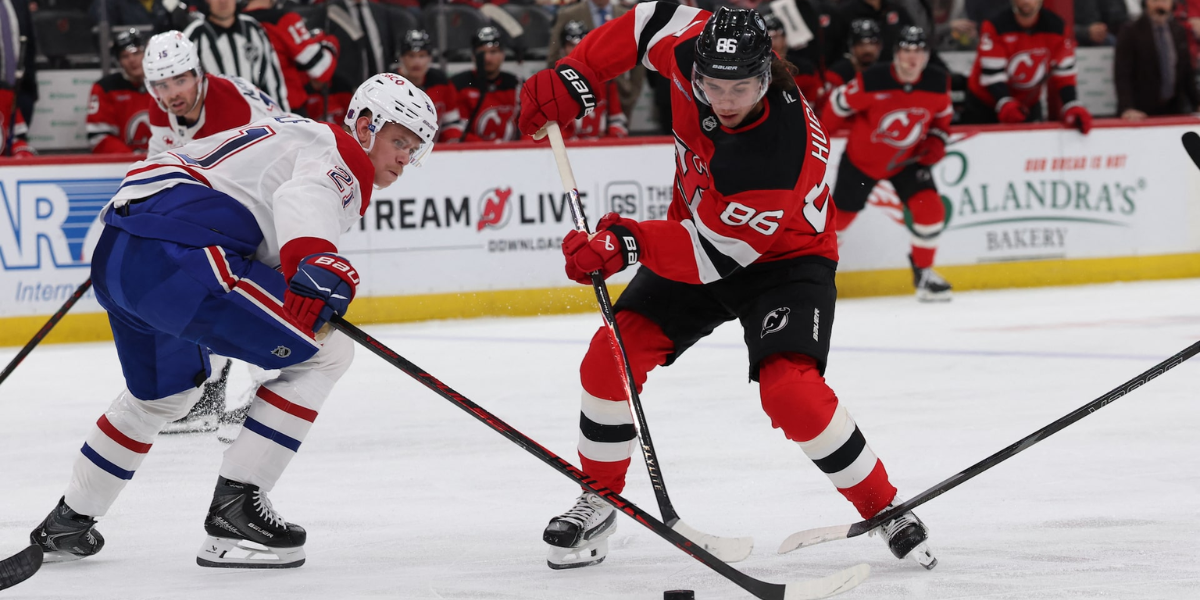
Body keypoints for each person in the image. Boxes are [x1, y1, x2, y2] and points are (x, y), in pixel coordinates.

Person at [518, 2, 936, 571]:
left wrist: (625, 242)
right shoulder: (695, 51)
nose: (723, 100)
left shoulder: (774, 151)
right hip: (700, 235)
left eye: (739, 88)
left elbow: (715, 255)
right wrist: (579, 72)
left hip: (785, 261)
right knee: (608, 358)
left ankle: (886, 508)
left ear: (766, 75)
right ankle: (601, 496)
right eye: (712, 85)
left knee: (789, 391)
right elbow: (650, 19)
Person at [28, 71, 438, 569]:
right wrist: (314, 260)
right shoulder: (345, 155)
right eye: (399, 141)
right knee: (326, 354)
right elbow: (300, 201)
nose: (403, 158)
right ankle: (235, 511)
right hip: (177, 255)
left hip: (118, 253)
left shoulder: (291, 129)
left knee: (162, 395)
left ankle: (69, 520)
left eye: (413, 149)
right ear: (367, 124)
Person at [823, 26, 954, 301]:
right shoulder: (873, 79)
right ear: (896, 54)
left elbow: (942, 118)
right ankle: (818, 278)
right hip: (861, 162)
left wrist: (937, 140)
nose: (912, 58)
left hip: (908, 160)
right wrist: (822, 134)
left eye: (918, 51)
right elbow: (836, 105)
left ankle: (924, 274)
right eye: (906, 50)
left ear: (927, 55)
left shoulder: (938, 82)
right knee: (838, 223)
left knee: (930, 211)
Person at [143, 31, 285, 157]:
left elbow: (260, 171)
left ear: (198, 76)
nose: (173, 94)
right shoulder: (160, 104)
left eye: (180, 81)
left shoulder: (232, 108)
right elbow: (157, 159)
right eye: (162, 85)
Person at [963, 0, 1092, 131]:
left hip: (1028, 103)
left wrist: (1072, 104)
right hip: (984, 103)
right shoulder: (995, 25)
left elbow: (1064, 74)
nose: (1026, 1)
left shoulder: (1057, 27)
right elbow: (993, 73)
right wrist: (1004, 102)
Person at [182, 0, 291, 111]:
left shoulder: (253, 28)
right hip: (216, 117)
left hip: (257, 114)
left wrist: (282, 115)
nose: (223, 2)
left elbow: (272, 79)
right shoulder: (192, 37)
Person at [243, 0, 339, 118]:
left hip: (249, 113)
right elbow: (321, 68)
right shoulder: (283, 19)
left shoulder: (237, 23)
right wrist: (329, 44)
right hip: (286, 112)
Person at [1114, 0, 1199, 120]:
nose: (1159, 6)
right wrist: (1127, 107)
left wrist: (1196, 103)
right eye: (1154, 1)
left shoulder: (1178, 30)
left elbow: (1186, 71)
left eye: (1164, 1)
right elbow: (1122, 73)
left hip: (1173, 109)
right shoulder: (1130, 30)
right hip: (1140, 111)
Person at [558, 21, 627, 139]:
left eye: (580, 44)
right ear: (563, 48)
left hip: (599, 151)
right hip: (567, 151)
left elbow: (617, 121)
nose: (575, 49)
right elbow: (545, 127)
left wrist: (606, 143)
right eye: (571, 45)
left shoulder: (606, 81)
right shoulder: (552, 83)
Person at [87, 29, 151, 155]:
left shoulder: (166, 84)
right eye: (125, 56)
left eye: (136, 53)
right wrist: (130, 160)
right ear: (119, 62)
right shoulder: (105, 88)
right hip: (124, 169)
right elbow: (98, 138)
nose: (132, 60)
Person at [451, 27, 521, 142]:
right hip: (471, 155)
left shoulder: (517, 84)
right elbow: (455, 131)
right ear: (473, 55)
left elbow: (530, 129)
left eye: (493, 52)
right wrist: (486, 149)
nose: (488, 58)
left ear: (503, 54)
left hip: (512, 155)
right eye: (482, 52)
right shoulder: (458, 85)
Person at [397, 29, 465, 142]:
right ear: (401, 58)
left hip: (433, 153)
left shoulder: (441, 82)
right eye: (411, 55)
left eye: (422, 55)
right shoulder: (389, 84)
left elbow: (452, 122)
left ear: (430, 58)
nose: (417, 62)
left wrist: (452, 141)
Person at [762, 11, 824, 107]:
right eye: (766, 39)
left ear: (784, 38)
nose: (771, 43)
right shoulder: (755, 70)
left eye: (774, 37)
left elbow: (816, 102)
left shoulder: (804, 68)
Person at [825, 19, 884, 97]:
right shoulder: (836, 74)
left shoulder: (885, 73)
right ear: (851, 47)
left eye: (872, 44)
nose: (867, 49)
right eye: (860, 44)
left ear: (880, 46)